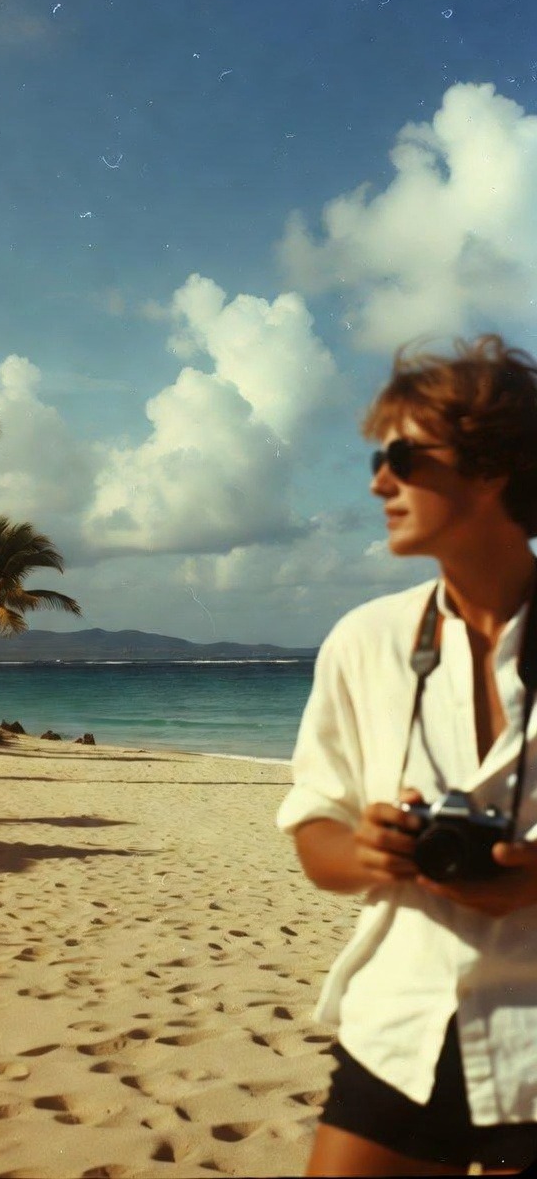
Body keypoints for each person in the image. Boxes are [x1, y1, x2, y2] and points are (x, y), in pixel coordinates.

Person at [276, 334, 537, 1177]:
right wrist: (365, 850)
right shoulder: (365, 643)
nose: (377, 481)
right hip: (402, 1023)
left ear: (491, 467)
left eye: (401, 456)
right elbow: (315, 822)